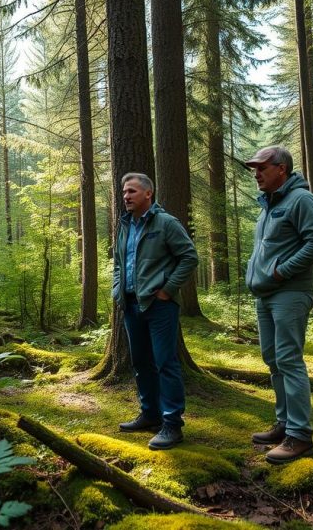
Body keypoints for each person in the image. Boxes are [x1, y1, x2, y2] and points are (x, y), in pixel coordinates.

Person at [244, 146, 313, 465]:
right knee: (272, 358)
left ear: (281, 169)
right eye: (254, 169)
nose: (256, 173)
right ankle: (284, 423)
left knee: (289, 359)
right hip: (266, 294)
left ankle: (300, 435)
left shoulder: (301, 199)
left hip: (290, 292)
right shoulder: (268, 205)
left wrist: (281, 270)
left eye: (262, 168)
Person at [112, 172, 199, 450]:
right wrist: (117, 289)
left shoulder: (166, 223)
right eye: (124, 192)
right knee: (140, 362)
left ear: (148, 194)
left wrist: (168, 289)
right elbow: (118, 262)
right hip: (130, 304)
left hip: (159, 305)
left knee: (166, 363)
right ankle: (150, 414)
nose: (126, 196)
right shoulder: (124, 225)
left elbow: (189, 256)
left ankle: (172, 424)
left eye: (132, 192)